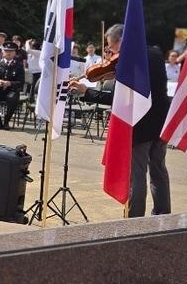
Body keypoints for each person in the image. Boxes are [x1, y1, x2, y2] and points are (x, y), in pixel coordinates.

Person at [70, 24, 171, 217]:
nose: (110, 53)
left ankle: (134, 218)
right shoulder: (156, 54)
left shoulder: (128, 60)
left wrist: (86, 92)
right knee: (158, 170)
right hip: (160, 122)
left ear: (121, 41)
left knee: (137, 174)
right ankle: (162, 214)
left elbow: (117, 99)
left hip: (140, 125)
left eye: (111, 47)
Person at [0, 43, 24, 129]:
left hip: (11, 90)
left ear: (15, 53)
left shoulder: (18, 65)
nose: (8, 53)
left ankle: (6, 121)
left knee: (12, 98)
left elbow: (21, 82)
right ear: (2, 52)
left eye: (11, 51)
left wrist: (10, 83)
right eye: (6, 51)